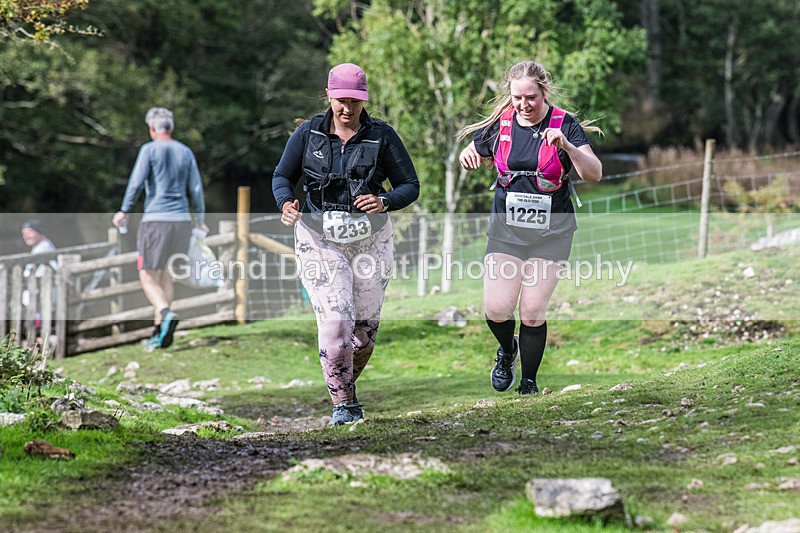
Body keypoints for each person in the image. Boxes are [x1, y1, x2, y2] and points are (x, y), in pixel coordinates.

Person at [272, 63, 420, 425]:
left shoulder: (382, 136)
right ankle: (343, 405)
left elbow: (410, 185)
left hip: (371, 241)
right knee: (337, 323)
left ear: (364, 99)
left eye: (355, 101)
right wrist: (286, 203)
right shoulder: (308, 134)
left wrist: (384, 201)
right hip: (318, 238)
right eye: (341, 100)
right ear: (329, 96)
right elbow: (282, 176)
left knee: (363, 334)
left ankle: (344, 388)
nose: (347, 108)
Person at [458, 60, 602, 395]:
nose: (523, 105)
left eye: (530, 98)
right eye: (517, 98)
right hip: (507, 231)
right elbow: (474, 149)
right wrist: (468, 154)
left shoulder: (565, 124)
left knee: (533, 311)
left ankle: (528, 384)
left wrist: (567, 146)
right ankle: (508, 350)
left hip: (552, 233)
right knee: (496, 309)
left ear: (544, 92)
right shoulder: (501, 123)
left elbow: (594, 173)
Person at [112, 107, 208, 349]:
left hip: (156, 220)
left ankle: (164, 313)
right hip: (182, 221)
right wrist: (199, 219)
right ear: (171, 127)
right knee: (165, 273)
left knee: (146, 273)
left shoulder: (149, 150)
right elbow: (196, 189)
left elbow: (135, 184)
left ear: (153, 128)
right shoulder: (185, 151)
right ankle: (158, 332)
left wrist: (124, 210)